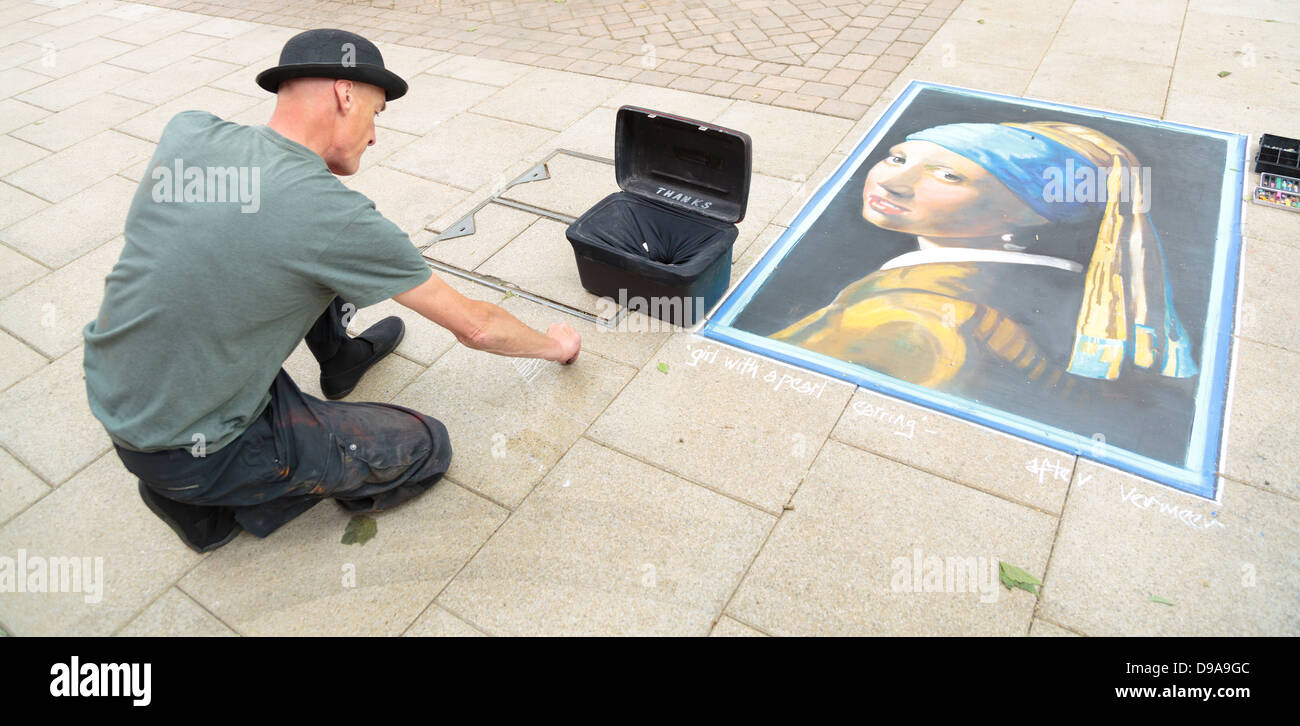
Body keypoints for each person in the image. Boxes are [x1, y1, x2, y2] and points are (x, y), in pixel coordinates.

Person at [82, 29, 580, 553]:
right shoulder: (334, 219)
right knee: (426, 445)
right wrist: (557, 345)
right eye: (377, 113)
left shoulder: (189, 132)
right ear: (346, 94)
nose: (373, 136)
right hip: (196, 448)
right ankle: (220, 503)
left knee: (302, 263)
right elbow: (476, 328)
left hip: (115, 389)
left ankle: (339, 359)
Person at [768, 121, 1201, 464]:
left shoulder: (908, 312)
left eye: (949, 175)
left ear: (1027, 212)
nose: (894, 182)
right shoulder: (1088, 294)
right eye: (897, 157)